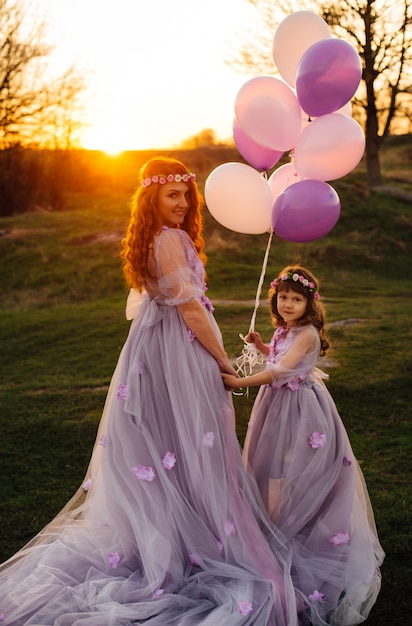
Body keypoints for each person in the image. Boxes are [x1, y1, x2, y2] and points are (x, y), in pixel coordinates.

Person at [0, 157, 301, 625]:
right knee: (192, 435)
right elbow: (191, 312)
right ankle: (193, 537)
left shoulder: (161, 237)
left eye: (186, 194)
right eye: (172, 195)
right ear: (152, 198)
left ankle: (186, 528)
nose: (181, 203)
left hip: (157, 349)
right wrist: (222, 359)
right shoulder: (167, 240)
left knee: (171, 442)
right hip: (177, 352)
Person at [223, 265, 385, 626]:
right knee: (268, 465)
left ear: (310, 303)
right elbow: (277, 358)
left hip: (301, 411)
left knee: (297, 469)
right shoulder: (285, 329)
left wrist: (241, 380)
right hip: (276, 408)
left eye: (297, 299)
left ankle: (305, 523)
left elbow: (282, 371)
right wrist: (262, 345)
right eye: (284, 298)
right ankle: (275, 522)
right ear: (275, 298)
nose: (289, 305)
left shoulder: (308, 334)